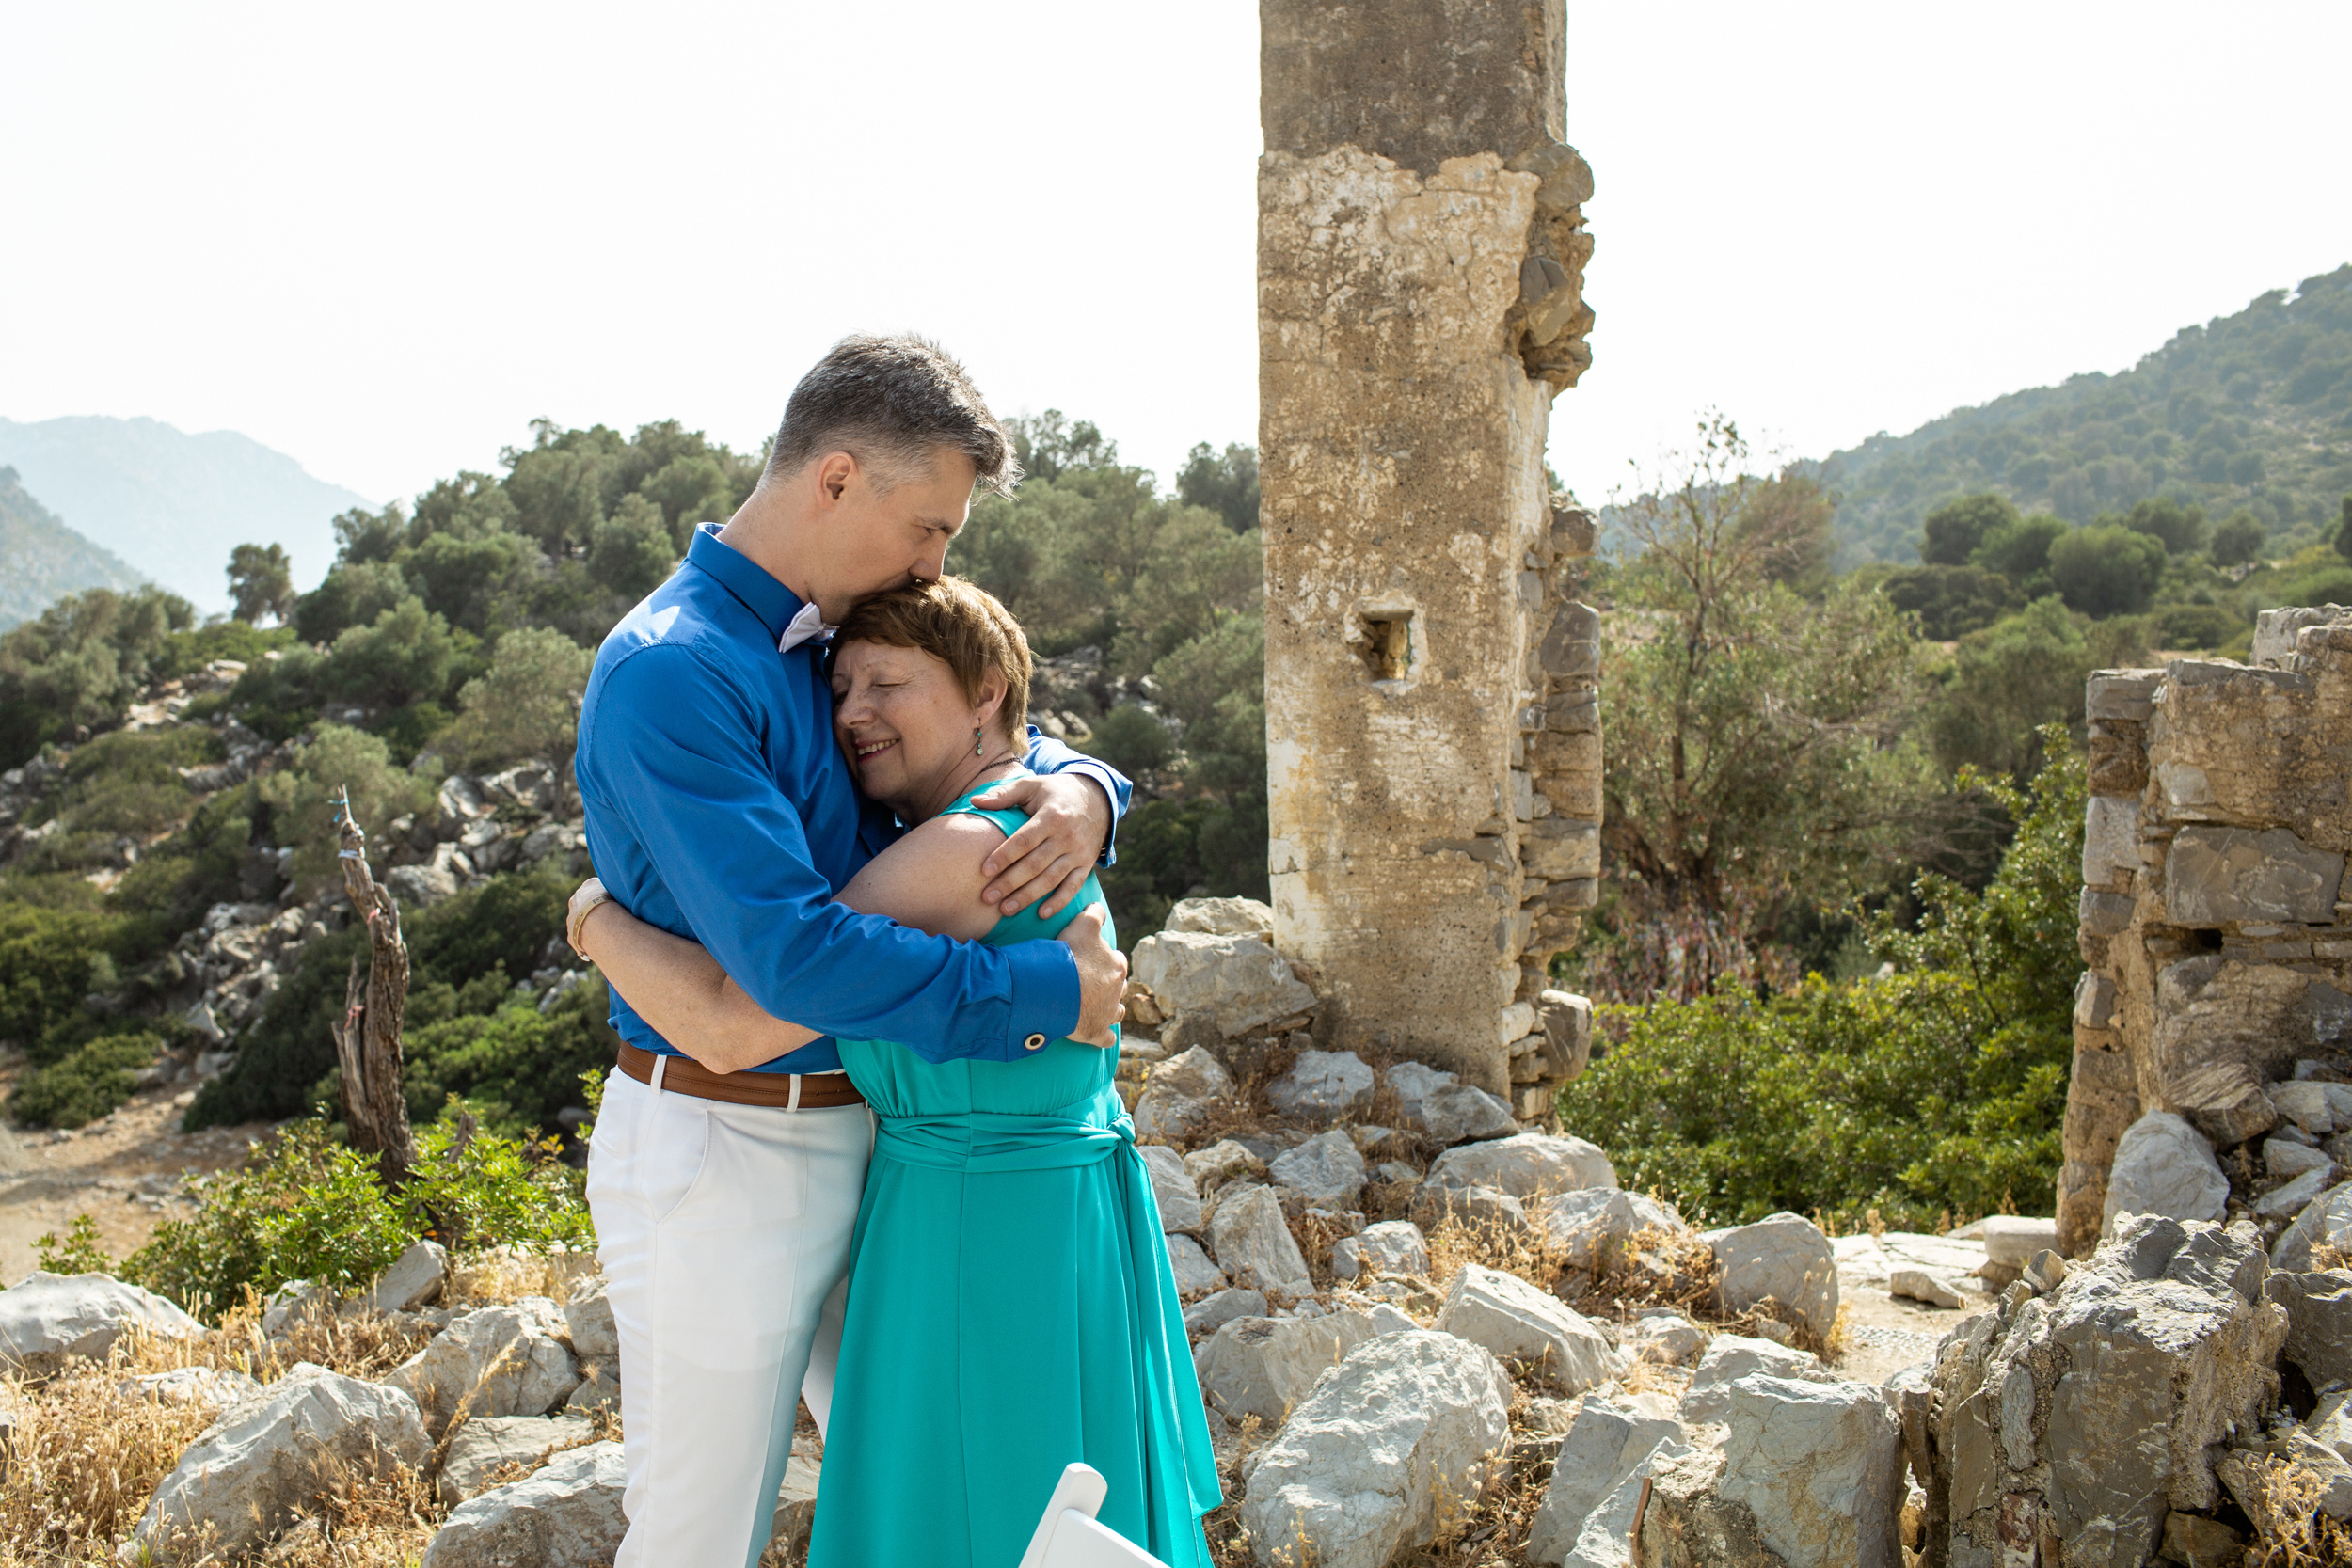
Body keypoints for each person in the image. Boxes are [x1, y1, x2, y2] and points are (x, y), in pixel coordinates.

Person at [570, 335, 1135, 1568]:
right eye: (930, 528)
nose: (938, 561)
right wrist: (1036, 993)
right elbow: (798, 959)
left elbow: (983, 745)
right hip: (727, 1144)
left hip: (874, 1143)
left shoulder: (825, 646)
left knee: (935, 1472)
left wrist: (1091, 789)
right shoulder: (675, 674)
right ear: (835, 481)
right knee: (699, 1535)